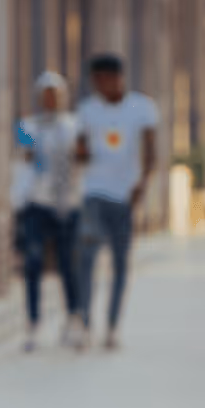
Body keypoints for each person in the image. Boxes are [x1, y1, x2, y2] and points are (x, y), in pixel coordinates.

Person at [75, 55, 158, 351]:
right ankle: (84, 321)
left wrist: (143, 184)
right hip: (93, 193)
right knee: (86, 256)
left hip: (124, 196)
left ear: (117, 78)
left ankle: (111, 327)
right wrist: (80, 152)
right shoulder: (86, 110)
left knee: (121, 264)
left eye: (103, 80)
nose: (99, 87)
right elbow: (79, 150)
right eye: (95, 82)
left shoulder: (142, 108)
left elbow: (151, 151)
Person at [15, 72, 82, 352]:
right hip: (36, 203)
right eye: (45, 94)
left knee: (68, 264)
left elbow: (82, 161)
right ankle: (33, 323)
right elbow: (23, 161)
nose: (50, 100)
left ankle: (74, 319)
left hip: (68, 204)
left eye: (54, 94)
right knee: (32, 263)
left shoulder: (74, 126)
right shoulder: (27, 126)